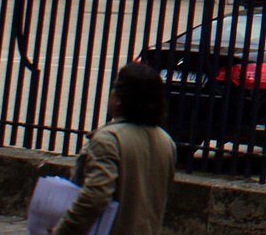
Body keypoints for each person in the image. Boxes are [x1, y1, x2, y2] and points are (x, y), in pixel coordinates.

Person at [54, 62, 176, 235]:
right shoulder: (166, 142)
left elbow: (95, 196)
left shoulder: (108, 139)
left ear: (119, 99)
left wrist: (63, 230)